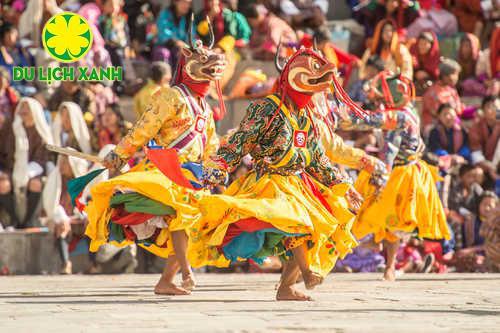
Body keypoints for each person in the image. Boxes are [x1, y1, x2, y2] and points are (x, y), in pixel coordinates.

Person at [189, 45, 363, 301]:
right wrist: (217, 169)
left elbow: (317, 159)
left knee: (322, 222)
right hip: (270, 181)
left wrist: (344, 185)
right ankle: (308, 272)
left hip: (299, 184)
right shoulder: (267, 108)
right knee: (298, 222)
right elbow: (241, 141)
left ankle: (286, 286)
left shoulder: (307, 115)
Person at [84, 22, 228, 295]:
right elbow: (144, 128)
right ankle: (186, 272)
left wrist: (214, 167)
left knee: (193, 223)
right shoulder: (171, 96)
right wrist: (119, 154)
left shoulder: (206, 110)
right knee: (180, 213)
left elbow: (210, 145)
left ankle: (166, 281)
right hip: (165, 169)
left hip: (191, 176)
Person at [352, 70, 451, 281]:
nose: (380, 96)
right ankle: (386, 262)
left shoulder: (398, 116)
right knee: (387, 220)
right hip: (408, 170)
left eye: (384, 93)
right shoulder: (409, 109)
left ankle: (387, 264)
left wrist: (381, 176)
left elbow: (389, 149)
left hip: (398, 173)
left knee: (384, 218)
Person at [0, 97, 54, 228]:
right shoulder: (11, 128)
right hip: (11, 169)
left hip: (33, 170)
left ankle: (28, 221)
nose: (23, 111)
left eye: (26, 108)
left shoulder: (40, 132)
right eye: (22, 107)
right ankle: (15, 221)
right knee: (3, 185)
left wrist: (27, 173)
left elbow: (42, 158)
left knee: (35, 184)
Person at [455, 191, 498, 272]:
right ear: (479, 205)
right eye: (484, 204)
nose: (487, 208)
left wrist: (473, 249)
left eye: (490, 205)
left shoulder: (497, 224)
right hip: (472, 257)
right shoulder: (469, 222)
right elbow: (462, 249)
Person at [422, 58, 464, 129]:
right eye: (454, 74)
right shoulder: (432, 93)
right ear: (445, 76)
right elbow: (436, 113)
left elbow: (459, 109)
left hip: (451, 123)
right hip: (434, 126)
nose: (456, 78)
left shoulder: (452, 91)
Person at [154, 0, 193, 65]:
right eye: (184, 2)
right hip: (164, 46)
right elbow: (163, 32)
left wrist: (194, 46)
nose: (187, 5)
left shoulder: (188, 17)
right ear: (175, 2)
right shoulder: (165, 14)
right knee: (164, 53)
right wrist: (177, 42)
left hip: (181, 49)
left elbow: (192, 36)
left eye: (189, 3)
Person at [469, 95, 500, 173]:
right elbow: (476, 152)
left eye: (497, 107)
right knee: (478, 173)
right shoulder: (476, 127)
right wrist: (490, 167)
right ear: (483, 110)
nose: (494, 110)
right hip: (483, 164)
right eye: (490, 107)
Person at [409, 31, 440, 96]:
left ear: (431, 45)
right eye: (420, 44)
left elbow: (437, 75)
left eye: (425, 44)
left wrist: (427, 75)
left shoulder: (435, 57)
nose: (422, 46)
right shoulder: (412, 55)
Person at [475, 27, 500, 97]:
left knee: (495, 86)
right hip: (486, 83)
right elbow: (479, 72)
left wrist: (496, 81)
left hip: (496, 83)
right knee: (468, 83)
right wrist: (486, 81)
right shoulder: (486, 54)